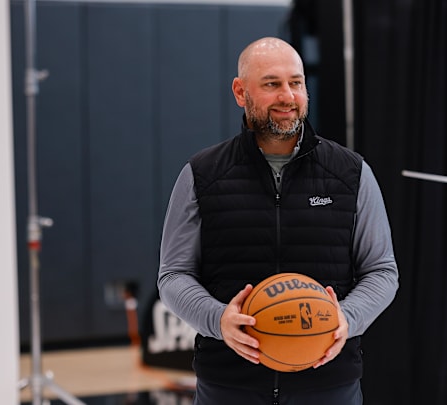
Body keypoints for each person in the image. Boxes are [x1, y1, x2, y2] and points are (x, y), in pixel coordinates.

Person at [157, 36, 399, 405]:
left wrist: (347, 318)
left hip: (327, 383)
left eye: (296, 83)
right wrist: (218, 320)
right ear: (241, 92)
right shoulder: (201, 174)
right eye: (272, 84)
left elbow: (382, 271)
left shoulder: (351, 173)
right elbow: (173, 275)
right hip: (229, 384)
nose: (287, 96)